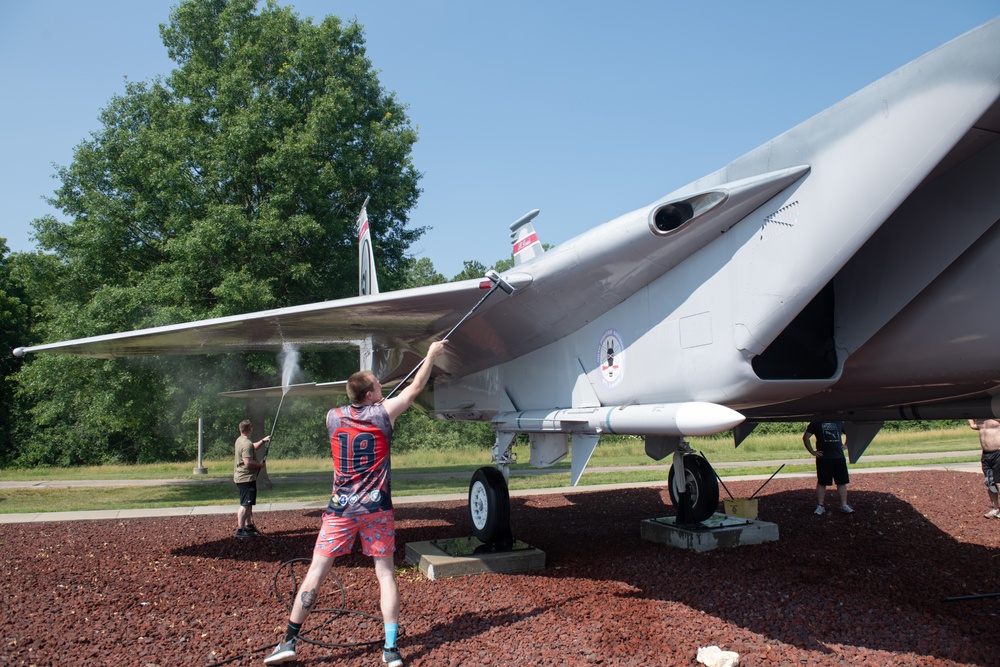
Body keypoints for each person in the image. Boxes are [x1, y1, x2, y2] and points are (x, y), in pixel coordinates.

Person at [265, 340, 447, 667]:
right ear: (370, 395)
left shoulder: (331, 417)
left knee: (315, 574)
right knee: (386, 575)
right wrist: (431, 354)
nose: (383, 389)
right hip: (376, 509)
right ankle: (390, 650)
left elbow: (364, 404)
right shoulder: (383, 413)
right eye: (378, 386)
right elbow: (416, 387)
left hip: (340, 509)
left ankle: (289, 641)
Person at [802, 421, 853, 515]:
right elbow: (806, 437)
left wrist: (846, 445)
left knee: (842, 482)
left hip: (839, 457)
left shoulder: (839, 421)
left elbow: (850, 433)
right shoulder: (815, 422)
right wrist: (813, 452)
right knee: (822, 482)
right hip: (824, 458)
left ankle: (844, 505)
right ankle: (820, 506)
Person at [233, 420, 270, 538]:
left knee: (248, 503)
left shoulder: (241, 440)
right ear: (250, 429)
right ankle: (240, 529)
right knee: (245, 504)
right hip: (246, 478)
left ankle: (249, 526)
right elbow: (248, 463)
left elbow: (251, 447)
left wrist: (263, 441)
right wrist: (260, 465)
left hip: (243, 478)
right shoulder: (246, 444)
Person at [968, 419, 1000, 518]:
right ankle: (996, 508)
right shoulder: (980, 418)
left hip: (998, 453)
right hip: (986, 455)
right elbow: (973, 426)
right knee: (990, 483)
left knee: (999, 482)